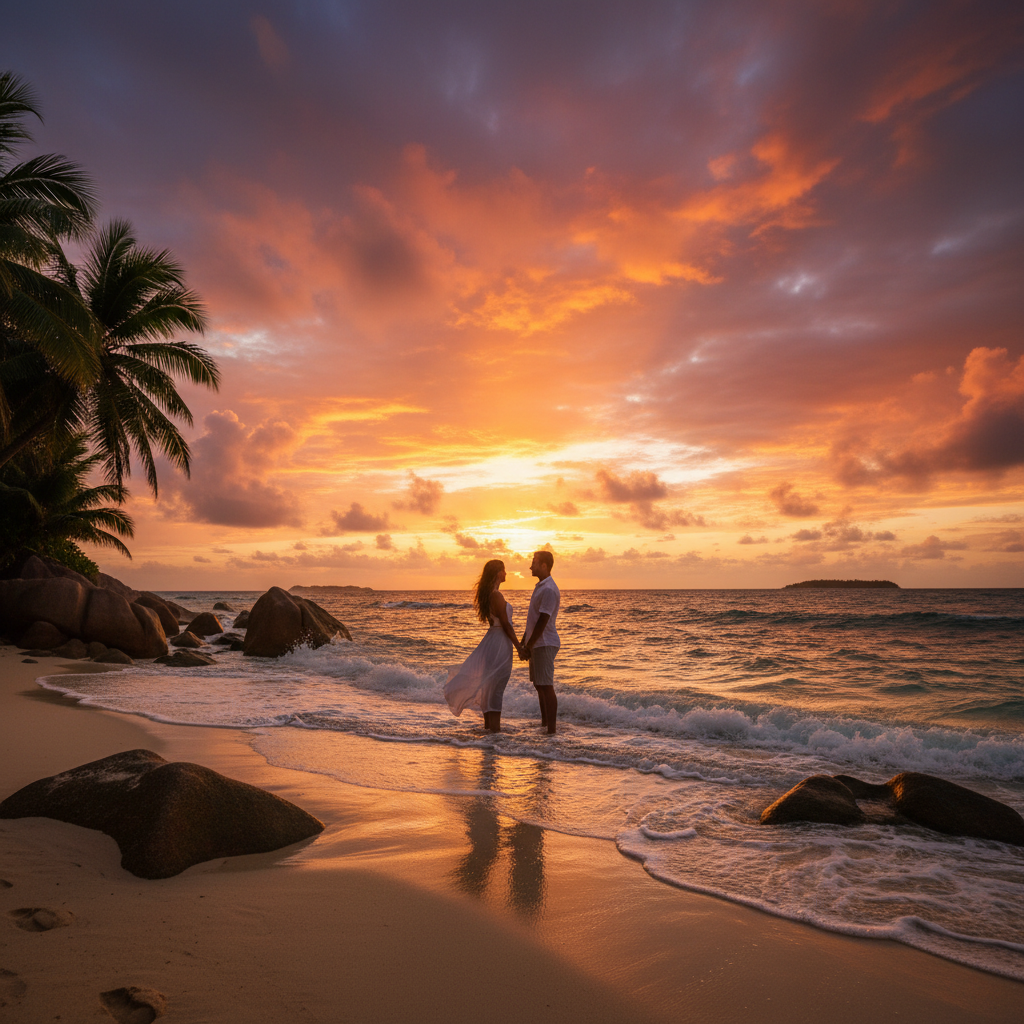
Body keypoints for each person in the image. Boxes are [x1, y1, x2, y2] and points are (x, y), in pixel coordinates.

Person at [444, 559, 524, 732]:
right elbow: (505, 624)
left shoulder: (490, 595)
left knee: (491, 685)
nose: (506, 573)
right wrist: (519, 647)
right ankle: (494, 732)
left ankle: (490, 732)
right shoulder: (496, 595)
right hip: (500, 642)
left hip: (493, 640)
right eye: (504, 570)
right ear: (497, 573)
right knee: (496, 686)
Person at [520, 550, 560, 734]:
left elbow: (543, 620)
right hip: (536, 642)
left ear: (544, 565)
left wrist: (528, 645)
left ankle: (551, 730)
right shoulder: (541, 587)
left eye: (534, 562)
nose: (531, 565)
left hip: (544, 642)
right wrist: (524, 641)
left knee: (546, 685)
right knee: (539, 685)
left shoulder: (549, 589)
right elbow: (533, 619)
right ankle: (544, 725)